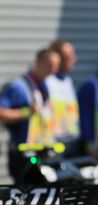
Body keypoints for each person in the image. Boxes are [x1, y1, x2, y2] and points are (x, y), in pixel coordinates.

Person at [0, 49, 60, 183]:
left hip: (42, 154)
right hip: (24, 156)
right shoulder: (18, 86)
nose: (54, 69)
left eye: (56, 65)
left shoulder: (46, 85)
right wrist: (26, 112)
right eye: (50, 64)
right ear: (38, 62)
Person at [47, 40, 80, 157]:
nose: (74, 59)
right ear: (58, 58)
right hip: (54, 147)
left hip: (72, 145)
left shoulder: (68, 81)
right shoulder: (47, 82)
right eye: (69, 56)